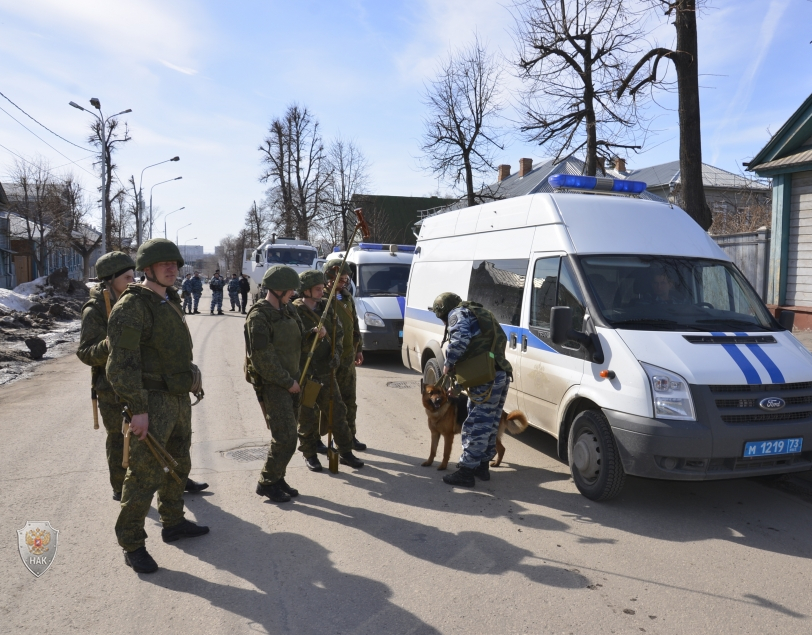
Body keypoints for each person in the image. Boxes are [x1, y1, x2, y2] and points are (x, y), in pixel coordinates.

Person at [106, 238, 209, 574]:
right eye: (164, 264)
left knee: (179, 464)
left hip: (177, 400)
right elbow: (121, 364)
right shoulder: (133, 306)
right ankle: (132, 542)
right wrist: (137, 408)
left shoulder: (168, 301)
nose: (171, 269)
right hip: (151, 403)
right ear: (146, 269)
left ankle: (173, 521)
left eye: (175, 264)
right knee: (144, 476)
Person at [429, 292, 512, 487]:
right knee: (490, 422)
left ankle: (466, 471)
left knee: (476, 423)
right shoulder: (478, 313)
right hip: (499, 373)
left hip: (486, 377)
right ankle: (482, 466)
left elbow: (460, 340)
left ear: (444, 312)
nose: (443, 322)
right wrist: (457, 386)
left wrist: (449, 362)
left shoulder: (457, 315)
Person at [76, 251, 136, 501]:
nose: (133, 282)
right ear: (110, 280)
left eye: (134, 276)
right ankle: (120, 486)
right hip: (110, 386)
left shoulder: (133, 301)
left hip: (138, 381)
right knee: (118, 438)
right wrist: (113, 343)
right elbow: (86, 352)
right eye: (127, 277)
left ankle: (171, 478)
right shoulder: (95, 309)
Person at [244, 265, 306, 503]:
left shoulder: (288, 309)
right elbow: (262, 358)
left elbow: (300, 337)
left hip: (294, 380)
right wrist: (286, 381)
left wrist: (314, 333)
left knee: (289, 436)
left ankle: (278, 477)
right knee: (286, 437)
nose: (293, 293)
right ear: (278, 289)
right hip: (275, 384)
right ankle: (267, 482)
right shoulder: (259, 316)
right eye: (290, 289)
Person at [293, 270, 364, 472]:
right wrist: (312, 335)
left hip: (326, 370)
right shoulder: (295, 311)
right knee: (306, 417)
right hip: (307, 373)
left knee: (338, 412)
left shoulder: (327, 307)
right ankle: (310, 454)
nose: (320, 291)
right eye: (316, 288)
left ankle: (346, 452)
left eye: (321, 287)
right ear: (305, 290)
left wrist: (336, 354)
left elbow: (339, 333)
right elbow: (292, 342)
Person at [323, 260, 366, 452]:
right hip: (330, 359)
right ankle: (326, 439)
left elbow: (355, 324)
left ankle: (350, 436)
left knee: (350, 400)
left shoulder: (347, 297)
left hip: (348, 356)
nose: (344, 283)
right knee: (330, 402)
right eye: (340, 280)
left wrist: (359, 349)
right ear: (329, 279)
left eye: (346, 279)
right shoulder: (322, 299)